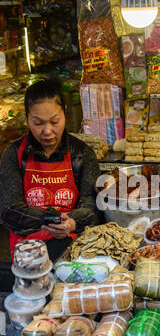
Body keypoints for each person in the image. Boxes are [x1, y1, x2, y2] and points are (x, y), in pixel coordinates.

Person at [0, 78, 101, 262]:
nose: (47, 131)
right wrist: (52, 218)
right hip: (28, 254)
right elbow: (10, 211)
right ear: (27, 118)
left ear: (65, 114)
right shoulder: (13, 154)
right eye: (38, 123)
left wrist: (71, 223)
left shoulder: (82, 153)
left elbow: (92, 205)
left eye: (54, 121)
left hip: (74, 247)